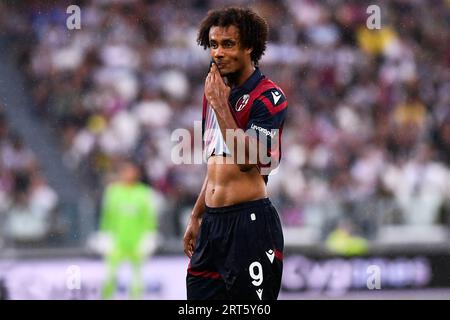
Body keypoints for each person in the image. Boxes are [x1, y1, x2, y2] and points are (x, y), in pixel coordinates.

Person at [183, 7, 288, 300]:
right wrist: (197, 215)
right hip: (212, 225)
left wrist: (220, 105)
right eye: (214, 44)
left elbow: (245, 161)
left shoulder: (268, 97)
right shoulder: (215, 91)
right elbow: (217, 165)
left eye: (228, 44)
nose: (218, 52)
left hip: (250, 225)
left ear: (249, 47)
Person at [98, 159, 158, 299]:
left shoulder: (144, 193)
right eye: (124, 171)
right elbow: (106, 217)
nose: (127, 174)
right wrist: (104, 235)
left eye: (130, 171)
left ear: (136, 173)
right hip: (117, 243)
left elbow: (149, 219)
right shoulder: (113, 192)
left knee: (137, 280)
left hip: (137, 244)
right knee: (109, 277)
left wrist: (149, 237)